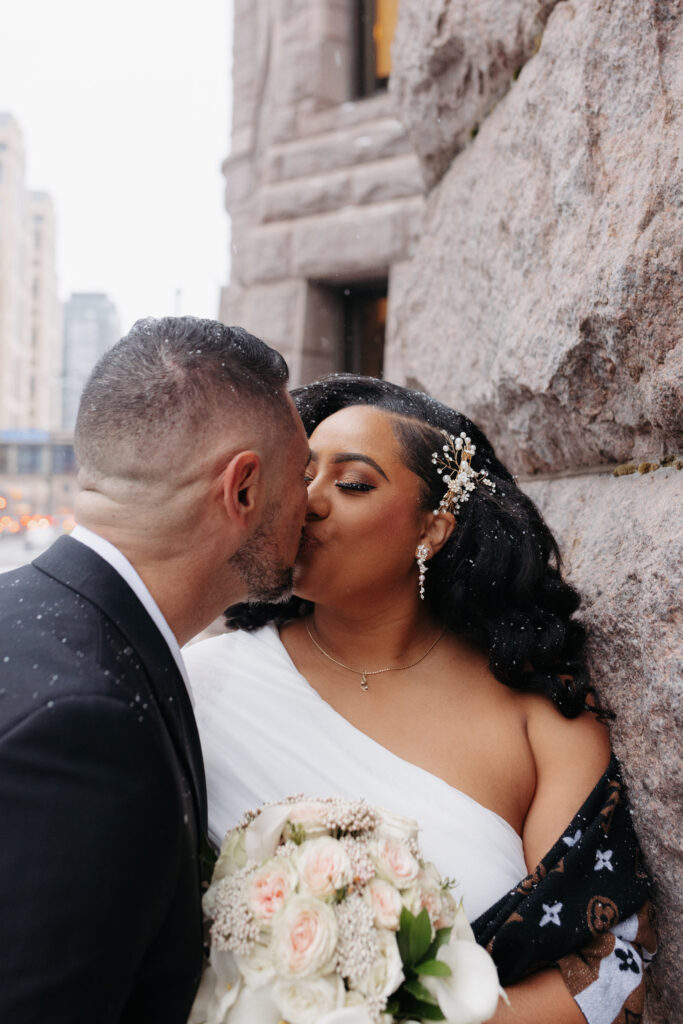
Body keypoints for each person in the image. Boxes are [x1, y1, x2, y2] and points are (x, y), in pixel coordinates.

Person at [185, 374, 655, 1024]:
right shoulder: (199, 685)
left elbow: (609, 966)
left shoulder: (538, 713)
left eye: (352, 483)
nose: (309, 502)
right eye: (302, 476)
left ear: (432, 529)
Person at [0, 316, 310, 1024]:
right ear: (242, 489)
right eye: (302, 475)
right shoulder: (86, 729)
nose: (313, 503)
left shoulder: (18, 608)